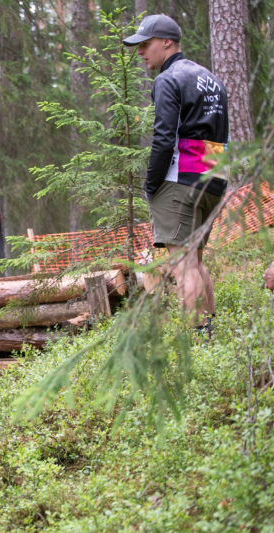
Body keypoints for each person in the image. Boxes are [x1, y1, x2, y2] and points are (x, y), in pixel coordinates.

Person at [123, 14, 229, 332]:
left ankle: (198, 341)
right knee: (194, 261)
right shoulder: (211, 78)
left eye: (146, 44)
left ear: (167, 42)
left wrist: (151, 185)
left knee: (183, 266)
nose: (140, 52)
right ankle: (212, 336)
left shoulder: (167, 80)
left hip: (180, 180)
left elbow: (164, 138)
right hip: (214, 177)